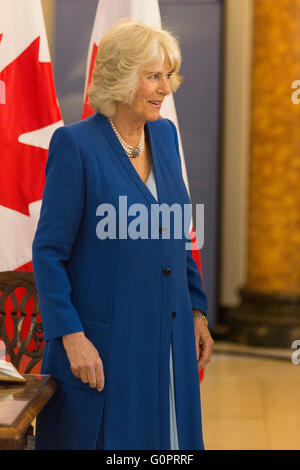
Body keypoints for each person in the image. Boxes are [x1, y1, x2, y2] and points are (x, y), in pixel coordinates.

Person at [32, 19, 214, 450]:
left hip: (168, 338)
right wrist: (71, 338)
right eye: (154, 76)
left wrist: (197, 312)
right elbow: (49, 252)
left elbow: (178, 229)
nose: (166, 87)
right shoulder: (75, 146)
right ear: (119, 77)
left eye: (169, 75)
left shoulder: (165, 136)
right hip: (103, 349)